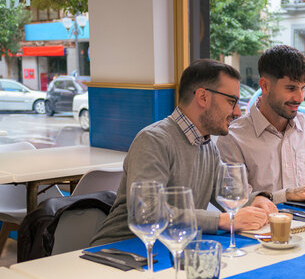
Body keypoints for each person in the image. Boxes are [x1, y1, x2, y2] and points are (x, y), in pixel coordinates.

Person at [91, 59, 277, 246]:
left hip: (170, 247)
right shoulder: (153, 140)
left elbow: (228, 195)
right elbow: (147, 213)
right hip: (119, 251)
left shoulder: (207, 145)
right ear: (203, 97)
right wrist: (221, 220)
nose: (237, 112)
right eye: (231, 101)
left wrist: (257, 200)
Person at [216, 45, 305, 205]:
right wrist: (286, 195)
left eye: (303, 88)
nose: (299, 97)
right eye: (291, 88)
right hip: (261, 228)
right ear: (265, 86)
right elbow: (236, 201)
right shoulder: (233, 138)